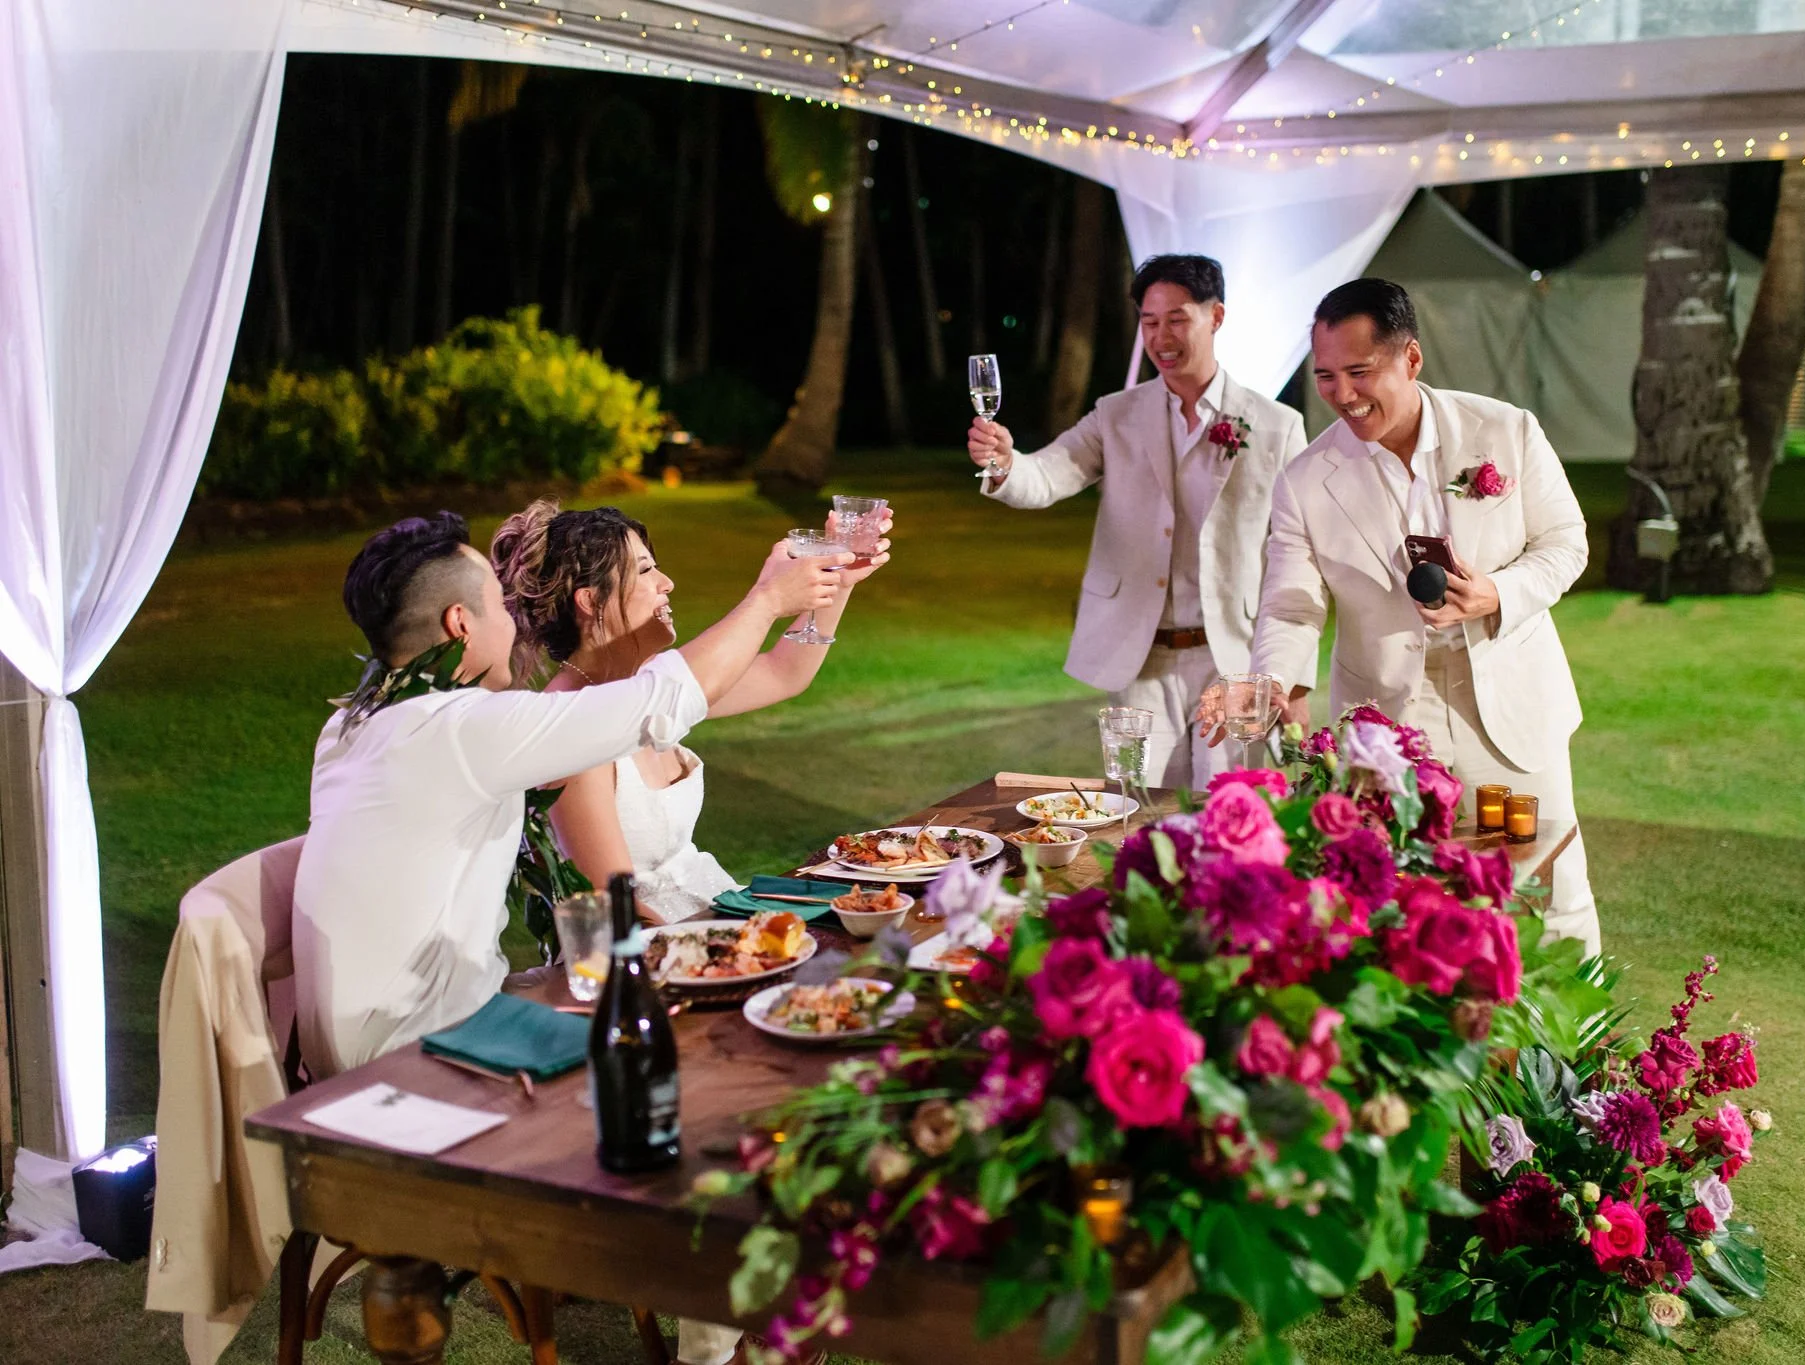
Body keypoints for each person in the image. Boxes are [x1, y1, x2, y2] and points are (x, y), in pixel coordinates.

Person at [291, 511, 848, 1079]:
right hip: (418, 1044)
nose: (515, 623)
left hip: (388, 1026)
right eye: (497, 605)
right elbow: (660, 699)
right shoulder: (466, 729)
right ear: (460, 623)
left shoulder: (356, 725)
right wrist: (767, 599)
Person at [1240, 278, 1601, 955]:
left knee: (1550, 894)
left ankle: (1581, 1028)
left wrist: (1497, 592)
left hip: (1510, 701)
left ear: (1410, 358)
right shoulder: (1305, 480)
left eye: (1359, 371)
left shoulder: (1506, 430)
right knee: (1407, 907)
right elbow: (1290, 602)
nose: (1342, 394)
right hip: (1388, 723)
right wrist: (1274, 682)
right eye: (1325, 377)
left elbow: (1566, 543)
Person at [966, 253, 1307, 791]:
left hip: (1235, 659)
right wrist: (1007, 462)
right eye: (1149, 322)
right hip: (1140, 659)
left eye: (1177, 320)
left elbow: (1300, 558)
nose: (1161, 338)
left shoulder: (1276, 425)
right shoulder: (1115, 413)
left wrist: (1294, 681)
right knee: (1138, 810)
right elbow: (1047, 475)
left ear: (1216, 317)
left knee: (1233, 811)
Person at [489, 501, 892, 924]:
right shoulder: (571, 729)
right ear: (591, 601)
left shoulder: (644, 689)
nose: (667, 583)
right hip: (659, 944)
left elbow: (783, 673)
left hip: (721, 910)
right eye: (645, 570)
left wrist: (837, 583)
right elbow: (618, 910)